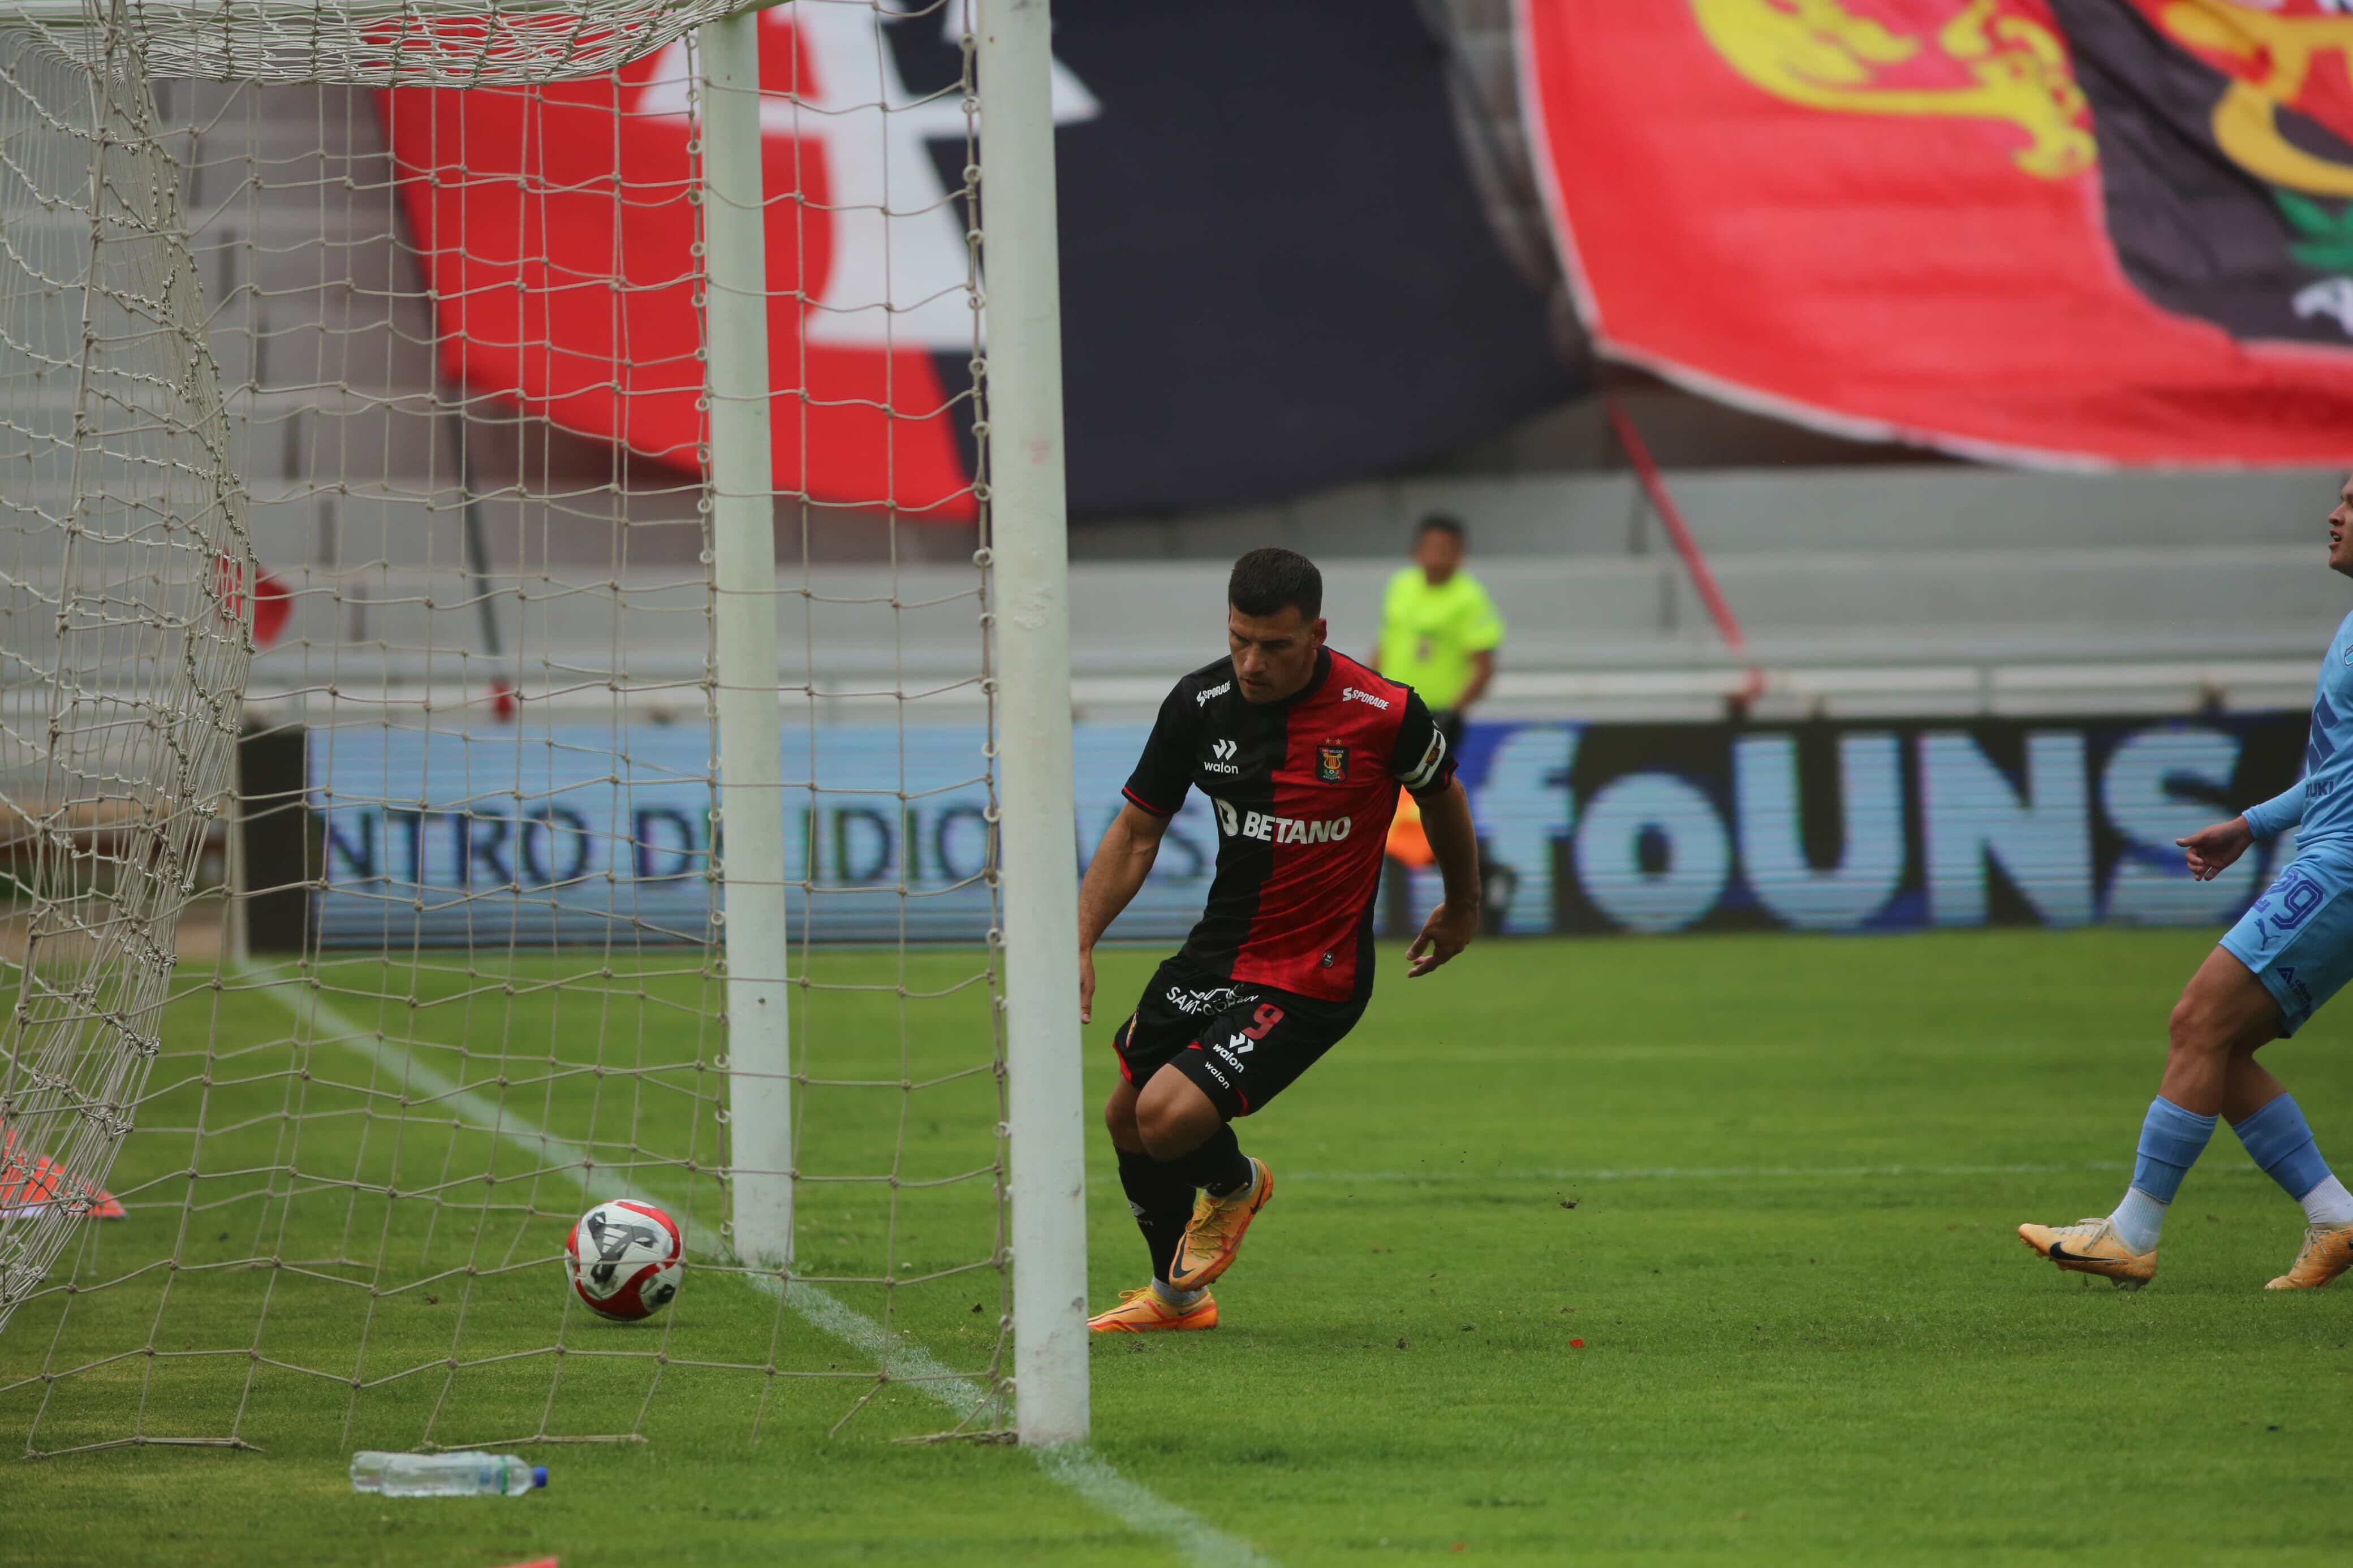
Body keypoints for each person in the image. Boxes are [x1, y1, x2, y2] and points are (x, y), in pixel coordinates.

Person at [1078, 547, 1482, 1332]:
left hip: (1311, 974)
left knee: (1166, 1117)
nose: (1252, 662)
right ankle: (1177, 1298)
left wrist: (1462, 902)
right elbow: (1136, 832)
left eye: (1274, 645)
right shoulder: (1199, 705)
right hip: (1217, 953)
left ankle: (1235, 1183)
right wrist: (1081, 938)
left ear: (1318, 632)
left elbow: (1442, 797)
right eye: (1239, 640)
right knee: (1126, 1117)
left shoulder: (1385, 711)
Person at [2019, 474, 2353, 1291]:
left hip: (2343, 869)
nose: (2333, 514)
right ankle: (2337, 1218)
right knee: (2220, 1043)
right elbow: (2338, 771)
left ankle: (2132, 1233)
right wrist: (2252, 824)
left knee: (2196, 1020)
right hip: (2328, 854)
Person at [1370, 515, 1505, 751]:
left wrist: (1453, 712)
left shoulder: (1471, 598)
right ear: (1416, 551)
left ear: (1460, 554)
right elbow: (1384, 644)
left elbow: (1484, 667)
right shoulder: (1400, 585)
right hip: (1391, 705)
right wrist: (1367, 685)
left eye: (1445, 549)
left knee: (1427, 786)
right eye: (1432, 548)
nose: (1437, 557)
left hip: (1436, 713)